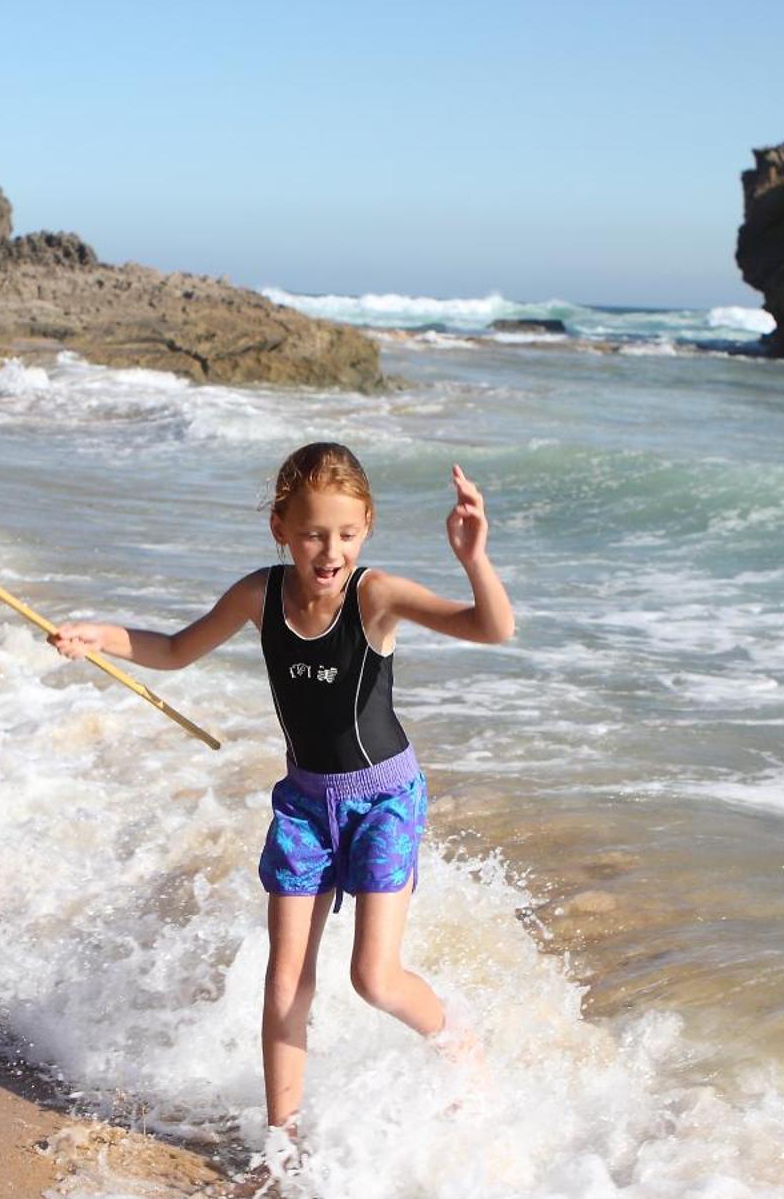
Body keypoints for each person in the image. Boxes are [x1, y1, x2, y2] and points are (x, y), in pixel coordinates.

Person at [51, 442, 513, 1130]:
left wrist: (474, 556)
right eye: (312, 534)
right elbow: (176, 649)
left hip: (384, 798)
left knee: (373, 978)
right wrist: (100, 636)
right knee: (284, 981)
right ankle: (282, 1139)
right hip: (303, 804)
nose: (330, 551)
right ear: (280, 529)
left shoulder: (375, 595)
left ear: (367, 528)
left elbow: (493, 627)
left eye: (346, 534)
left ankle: (461, 1042)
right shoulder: (258, 595)